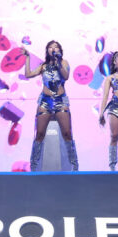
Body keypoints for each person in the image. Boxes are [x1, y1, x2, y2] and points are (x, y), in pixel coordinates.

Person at [22, 40, 79, 171]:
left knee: (67, 133)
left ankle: (74, 165)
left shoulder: (64, 63)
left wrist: (58, 62)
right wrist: (28, 57)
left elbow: (66, 76)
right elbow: (28, 74)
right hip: (45, 101)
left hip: (61, 101)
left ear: (60, 50)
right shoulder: (43, 66)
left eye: (56, 47)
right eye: (50, 47)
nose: (53, 49)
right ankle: (34, 166)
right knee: (40, 134)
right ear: (47, 51)